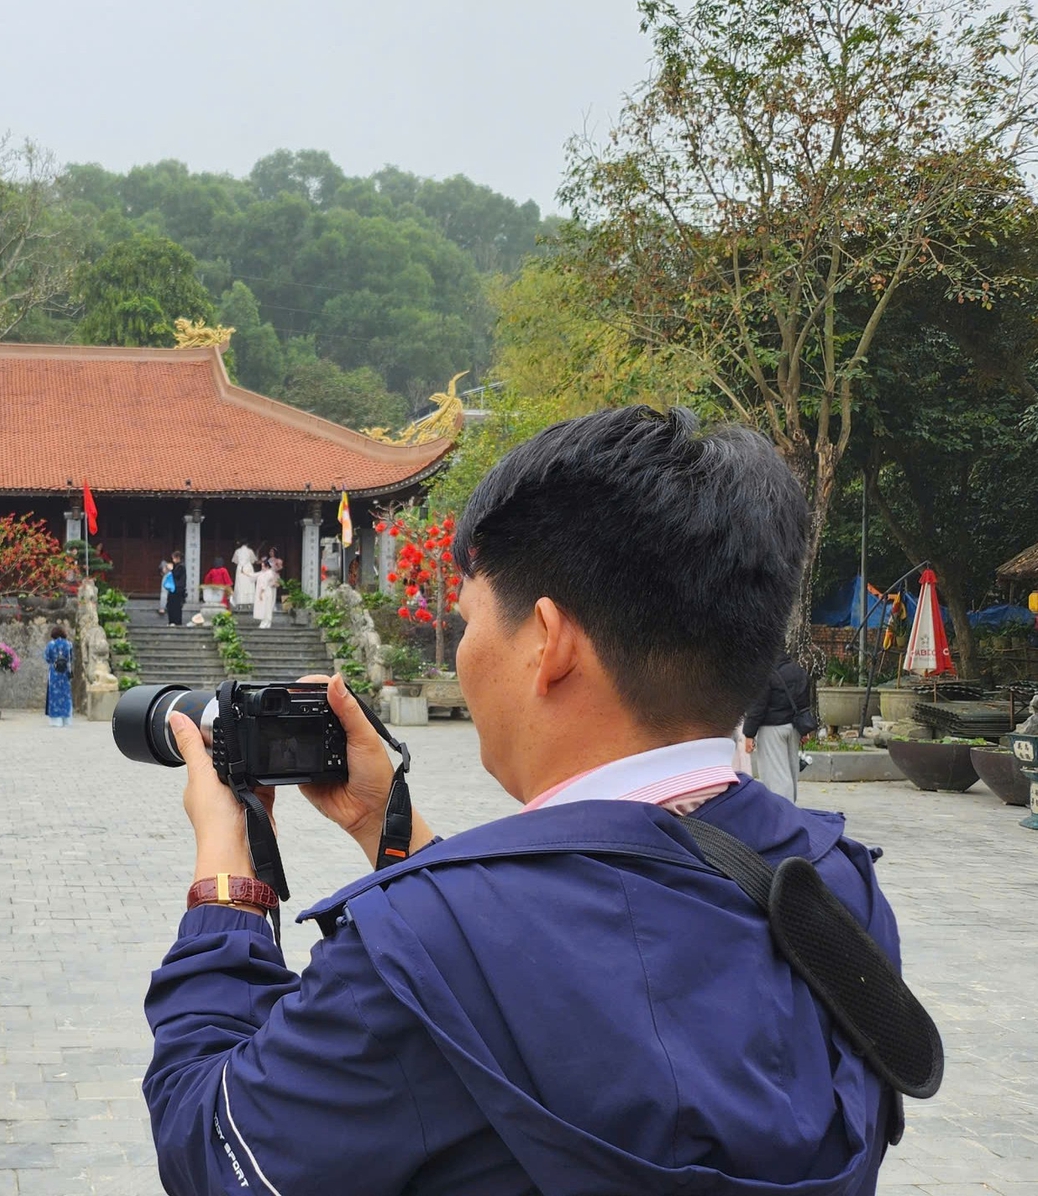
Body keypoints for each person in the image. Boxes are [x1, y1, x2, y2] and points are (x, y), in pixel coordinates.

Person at [145, 407, 909, 1194]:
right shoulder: (835, 890)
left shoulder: (406, 961)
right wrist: (386, 823)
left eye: (470, 618)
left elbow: (211, 1145)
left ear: (548, 642)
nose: (467, 647)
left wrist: (226, 886)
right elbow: (595, 954)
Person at [743, 653, 816, 803]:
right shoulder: (798, 670)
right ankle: (790, 811)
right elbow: (805, 702)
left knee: (776, 776)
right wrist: (804, 730)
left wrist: (749, 733)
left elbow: (758, 706)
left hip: (772, 729)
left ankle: (783, 816)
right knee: (791, 773)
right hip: (794, 728)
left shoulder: (765, 673)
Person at [43, 625, 74, 727]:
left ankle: (56, 720)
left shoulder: (50, 645)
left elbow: (47, 658)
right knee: (65, 695)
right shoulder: (69, 644)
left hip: (54, 673)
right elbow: (71, 658)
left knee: (54, 695)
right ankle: (66, 719)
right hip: (65, 673)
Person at [250, 556, 280, 629]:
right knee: (263, 607)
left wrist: (261, 593)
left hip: (266, 591)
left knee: (267, 607)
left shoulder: (269, 573)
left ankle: (267, 621)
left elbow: (265, 583)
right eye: (262, 566)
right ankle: (264, 621)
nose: (262, 567)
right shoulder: (263, 573)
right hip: (263, 591)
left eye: (263, 566)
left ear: (267, 566)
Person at [231, 541, 258, 610]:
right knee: (249, 585)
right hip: (248, 567)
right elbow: (253, 561)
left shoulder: (237, 551)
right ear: (247, 544)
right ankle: (249, 602)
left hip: (240, 568)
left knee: (240, 585)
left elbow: (235, 561)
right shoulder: (250, 551)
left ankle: (239, 602)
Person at [165, 550, 186, 627]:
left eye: (174, 558)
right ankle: (171, 621)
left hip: (177, 590)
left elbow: (176, 575)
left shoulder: (181, 567)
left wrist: (171, 569)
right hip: (174, 589)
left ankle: (176, 622)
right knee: (171, 606)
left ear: (178, 558)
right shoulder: (177, 566)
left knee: (176, 607)